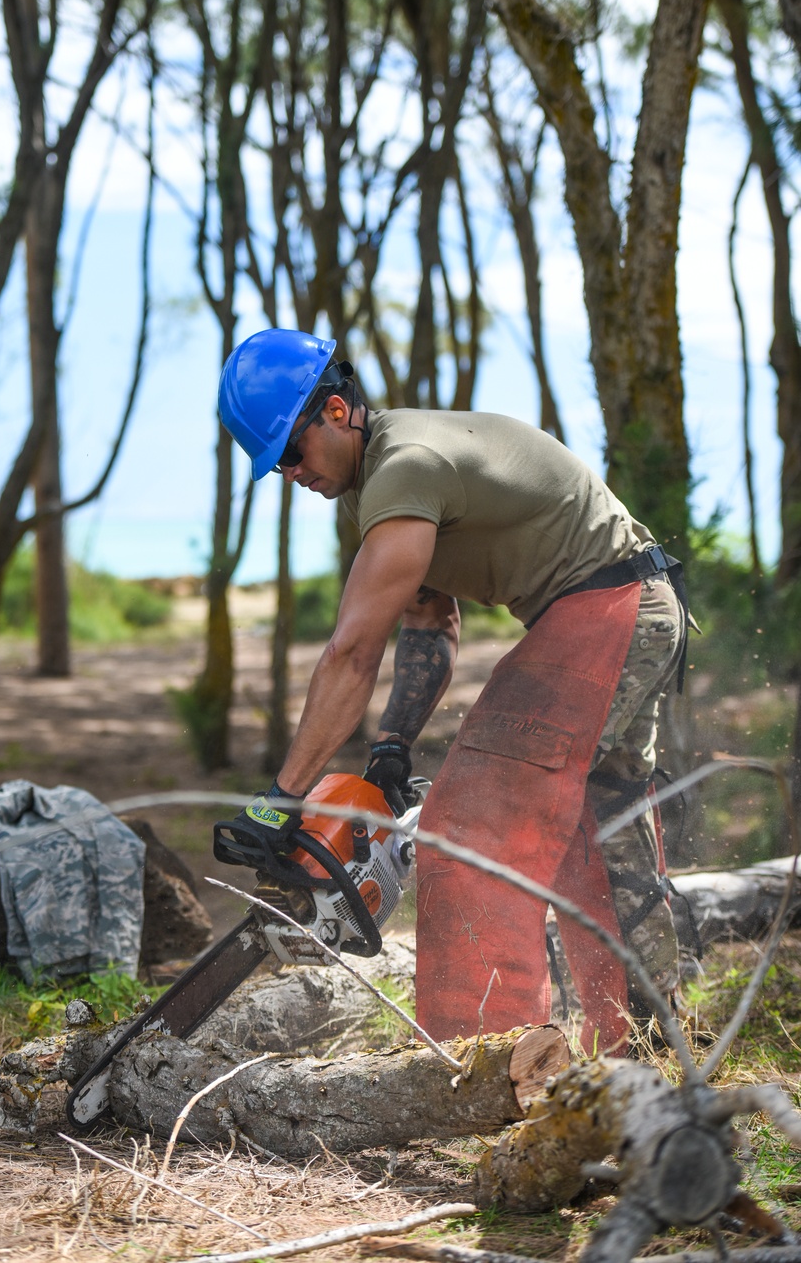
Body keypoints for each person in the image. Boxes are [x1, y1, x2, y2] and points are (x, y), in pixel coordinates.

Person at [216, 326, 687, 1050]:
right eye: (274, 464)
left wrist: (280, 796)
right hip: (630, 602)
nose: (288, 472)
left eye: (289, 450)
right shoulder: (376, 485)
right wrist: (392, 750)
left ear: (336, 412)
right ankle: (644, 1045)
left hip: (608, 605)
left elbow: (350, 654)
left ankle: (484, 1058)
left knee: (473, 824)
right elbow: (430, 621)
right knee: (601, 827)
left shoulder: (406, 466)